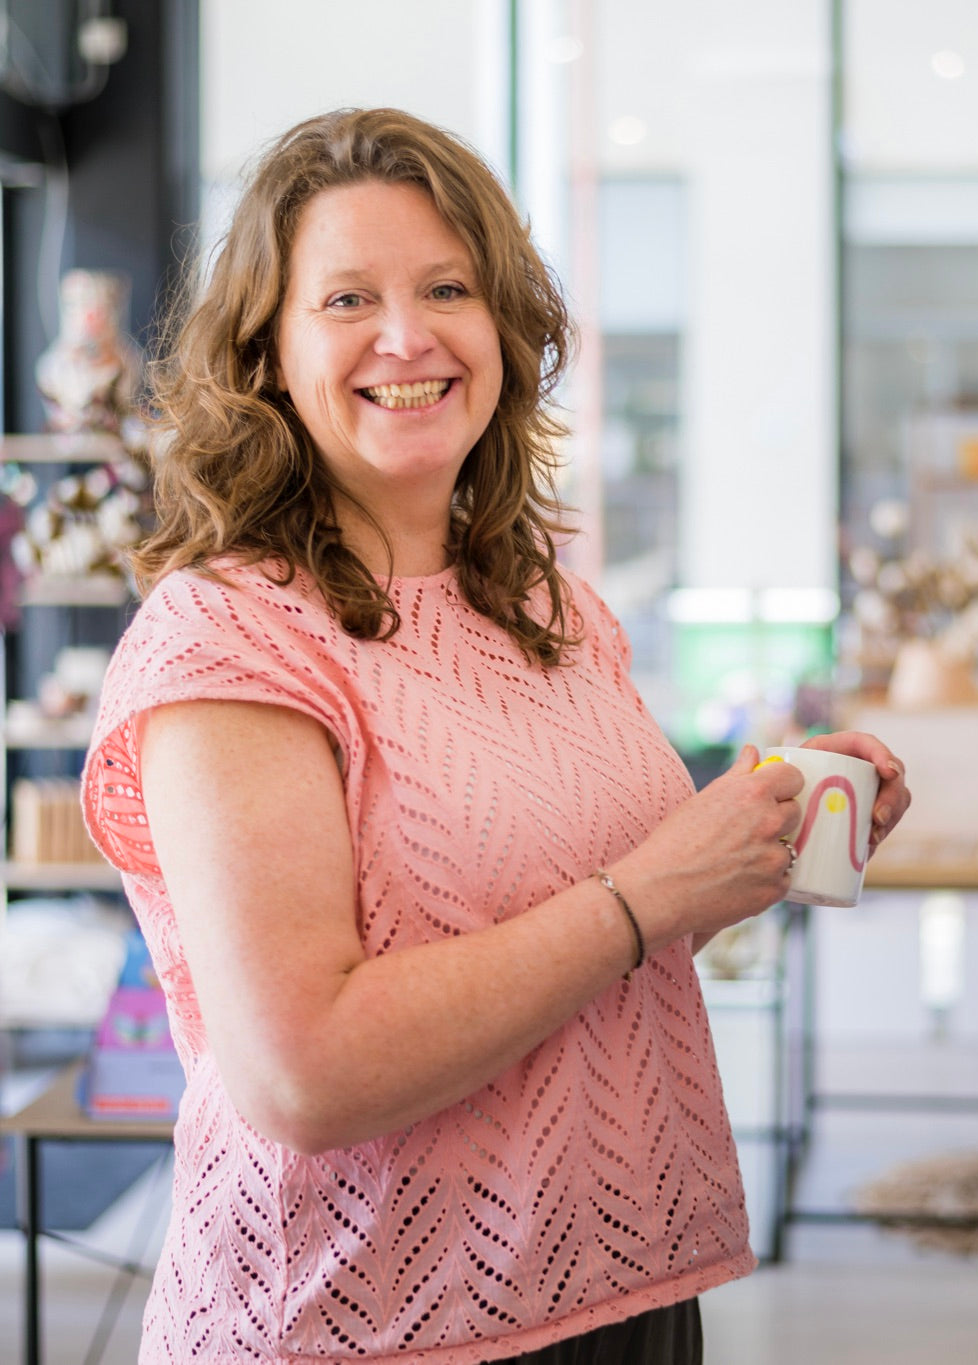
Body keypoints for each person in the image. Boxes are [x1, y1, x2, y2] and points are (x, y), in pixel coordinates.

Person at [81, 107, 911, 1364]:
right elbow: (306, 1073)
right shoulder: (230, 642)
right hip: (360, 1324)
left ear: (508, 331)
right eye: (347, 298)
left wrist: (748, 850)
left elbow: (575, 914)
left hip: (623, 1290)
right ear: (265, 354)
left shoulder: (550, 606)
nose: (407, 337)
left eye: (447, 288)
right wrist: (648, 892)